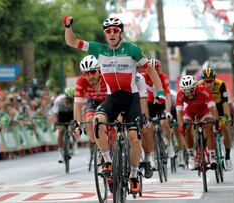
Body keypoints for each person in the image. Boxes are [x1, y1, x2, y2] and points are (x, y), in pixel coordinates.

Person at [63, 16, 165, 193]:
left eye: (115, 30)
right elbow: (72, 41)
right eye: (108, 31)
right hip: (112, 98)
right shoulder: (98, 49)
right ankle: (108, 161)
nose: (111, 33)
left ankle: (133, 175)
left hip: (131, 98)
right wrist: (68, 26)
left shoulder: (132, 49)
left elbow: (149, 69)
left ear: (120, 33)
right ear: (105, 34)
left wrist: (160, 91)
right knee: (98, 121)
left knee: (134, 138)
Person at [176, 75, 219, 170]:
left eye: (191, 90)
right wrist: (181, 126)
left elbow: (212, 107)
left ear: (196, 87)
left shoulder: (204, 90)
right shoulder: (180, 94)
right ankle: (191, 156)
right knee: (186, 128)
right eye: (186, 91)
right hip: (190, 111)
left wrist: (216, 121)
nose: (189, 94)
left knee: (209, 126)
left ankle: (212, 156)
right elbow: (179, 112)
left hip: (204, 110)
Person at [198, 67, 233, 171]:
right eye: (206, 81)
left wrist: (227, 118)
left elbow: (225, 103)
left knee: (226, 129)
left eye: (211, 81)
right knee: (204, 129)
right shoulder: (199, 85)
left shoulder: (221, 84)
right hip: (206, 108)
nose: (208, 84)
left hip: (219, 107)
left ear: (214, 80)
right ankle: (204, 153)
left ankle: (227, 157)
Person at [142, 59, 175, 159]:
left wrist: (168, 112)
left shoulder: (164, 77)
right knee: (149, 128)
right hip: (150, 103)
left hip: (161, 102)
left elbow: (168, 96)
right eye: (154, 71)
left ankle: (169, 144)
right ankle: (152, 155)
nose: (156, 73)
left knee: (164, 123)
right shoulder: (143, 77)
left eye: (158, 70)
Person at [74, 55, 107, 144]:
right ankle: (99, 147)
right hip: (94, 101)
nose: (90, 76)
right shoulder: (81, 81)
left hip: (109, 101)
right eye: (86, 73)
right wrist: (78, 127)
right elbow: (77, 106)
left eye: (93, 72)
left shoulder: (106, 77)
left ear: (99, 70)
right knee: (89, 120)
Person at [52, 87, 75, 163]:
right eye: (69, 99)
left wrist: (76, 123)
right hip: (61, 114)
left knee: (73, 127)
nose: (70, 101)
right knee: (61, 131)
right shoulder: (59, 100)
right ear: (65, 97)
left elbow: (77, 113)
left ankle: (72, 142)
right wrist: (56, 123)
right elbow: (55, 114)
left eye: (72, 99)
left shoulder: (75, 101)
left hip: (71, 113)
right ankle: (61, 152)